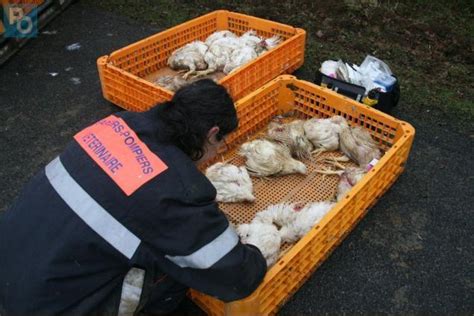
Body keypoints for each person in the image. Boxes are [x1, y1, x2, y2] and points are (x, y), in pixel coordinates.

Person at [0, 79, 267, 315]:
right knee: (177, 262)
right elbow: (237, 276)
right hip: (47, 306)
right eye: (222, 143)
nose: (220, 151)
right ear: (211, 134)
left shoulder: (116, 126)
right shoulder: (175, 192)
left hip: (11, 264)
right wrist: (254, 252)